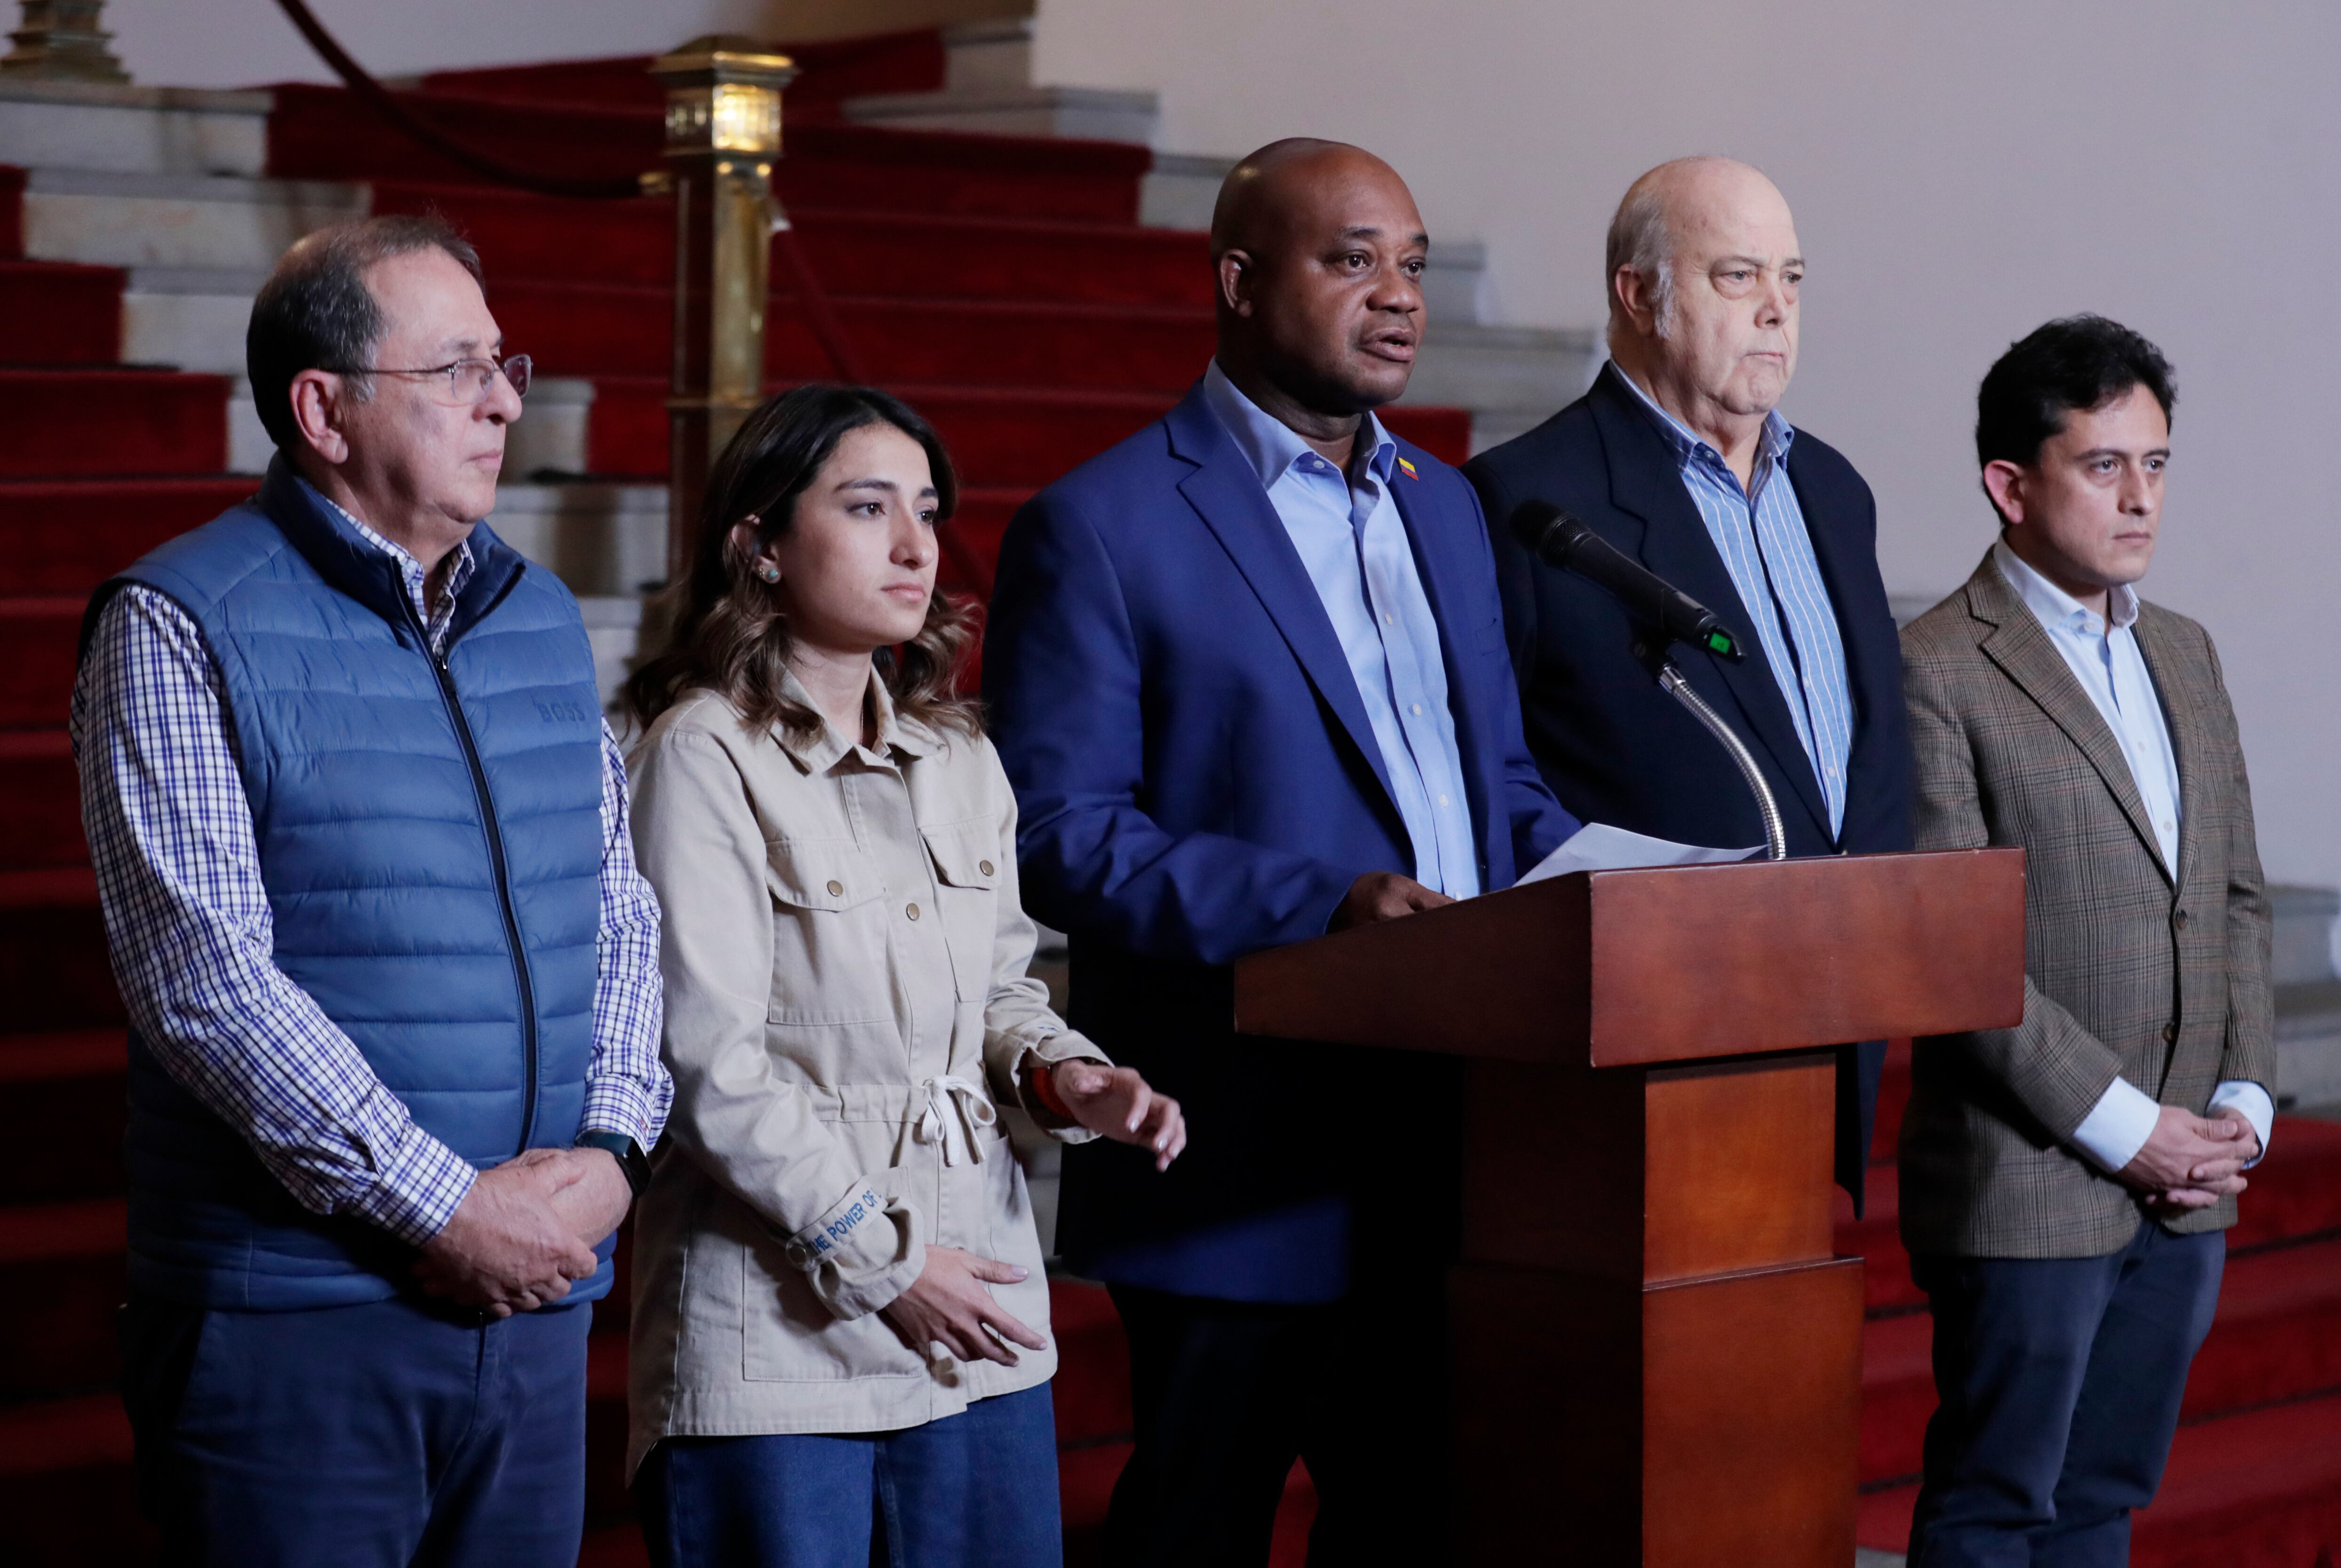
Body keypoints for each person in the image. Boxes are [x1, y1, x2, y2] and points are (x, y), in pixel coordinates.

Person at [983, 139, 1579, 1565]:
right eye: (1354, 257)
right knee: (1202, 1522)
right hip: (1241, 1145)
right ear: (1241, 281)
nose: (1400, 296)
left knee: (1421, 1520)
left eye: (1418, 264)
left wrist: (1620, 876)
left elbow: (1491, 783)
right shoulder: (1103, 524)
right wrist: (1326, 904)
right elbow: (1065, 840)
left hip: (1451, 1135)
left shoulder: (1446, 504)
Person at [71, 215, 669, 1565]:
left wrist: (613, 1158)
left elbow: (619, 912)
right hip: (296, 1316)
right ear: (324, 410)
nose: (506, 397)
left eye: (505, 362)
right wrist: (451, 1212)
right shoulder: (177, 620)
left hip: (533, 1303)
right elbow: (204, 983)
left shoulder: (538, 611)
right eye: (459, 367)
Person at [621, 383, 1184, 1568]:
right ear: (759, 544)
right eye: (868, 507)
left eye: (926, 509)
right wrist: (886, 1263)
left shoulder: (959, 752)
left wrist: (1065, 1074)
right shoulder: (702, 753)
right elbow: (706, 1065)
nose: (916, 545)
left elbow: (1001, 991)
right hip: (779, 1343)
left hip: (976, 1309)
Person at [1900, 315, 2273, 1565]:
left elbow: (2234, 898)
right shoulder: (1936, 668)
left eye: (2156, 463)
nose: (2139, 497)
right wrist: (2129, 1126)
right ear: (2011, 484)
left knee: (2104, 1500)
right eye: (2102, 464)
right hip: (2032, 1182)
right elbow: (1957, 953)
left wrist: (2240, 1101)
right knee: (1997, 1504)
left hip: (2187, 1187)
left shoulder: (2185, 651)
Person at [1463, 156, 1909, 1202]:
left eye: (1792, 281)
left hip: (1844, 1007)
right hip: (1651, 1031)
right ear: (1638, 295)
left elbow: (1864, 756)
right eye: (1737, 277)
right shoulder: (1527, 499)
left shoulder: (1835, 490)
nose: (1774, 313)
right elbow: (1497, 778)